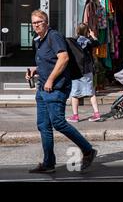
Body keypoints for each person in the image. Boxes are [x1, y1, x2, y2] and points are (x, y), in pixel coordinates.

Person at [25, 10, 97, 173]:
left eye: (39, 22)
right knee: (43, 125)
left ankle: (88, 150)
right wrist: (35, 71)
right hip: (42, 88)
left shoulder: (54, 36)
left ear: (46, 22)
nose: (36, 25)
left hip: (56, 87)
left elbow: (63, 58)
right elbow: (49, 61)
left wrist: (50, 79)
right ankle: (49, 163)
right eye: (33, 22)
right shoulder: (39, 40)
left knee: (58, 122)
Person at [67, 23, 101, 123]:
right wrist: (93, 35)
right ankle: (96, 113)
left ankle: (75, 116)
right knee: (91, 93)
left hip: (77, 70)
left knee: (75, 94)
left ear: (77, 31)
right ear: (87, 31)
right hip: (88, 70)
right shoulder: (89, 41)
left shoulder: (73, 42)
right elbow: (97, 43)